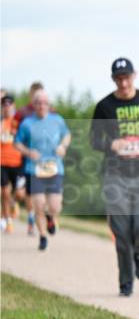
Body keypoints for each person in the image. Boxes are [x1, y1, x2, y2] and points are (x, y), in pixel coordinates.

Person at [89, 57, 139, 297]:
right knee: (121, 233)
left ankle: (137, 252)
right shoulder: (104, 106)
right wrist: (112, 144)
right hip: (116, 176)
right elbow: (94, 139)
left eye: (127, 77)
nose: (123, 83)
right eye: (118, 79)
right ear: (113, 79)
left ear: (134, 76)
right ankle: (126, 282)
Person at [14, 90, 71, 251]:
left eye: (45, 103)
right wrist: (27, 152)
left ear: (49, 105)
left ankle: (51, 217)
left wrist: (63, 146)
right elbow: (17, 143)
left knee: (55, 206)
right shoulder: (26, 123)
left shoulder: (57, 120)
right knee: (38, 204)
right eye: (38, 103)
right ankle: (43, 235)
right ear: (34, 104)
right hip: (34, 169)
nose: (42, 106)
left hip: (54, 168)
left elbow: (67, 135)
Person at [15, 82, 48, 235]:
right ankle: (30, 216)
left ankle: (45, 214)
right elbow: (13, 130)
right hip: (25, 158)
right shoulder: (22, 113)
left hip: (45, 158)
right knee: (26, 193)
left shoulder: (49, 110)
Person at [1, 93, 27, 233]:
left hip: (18, 163)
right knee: (5, 192)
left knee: (20, 194)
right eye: (4, 105)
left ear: (13, 106)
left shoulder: (19, 123)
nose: (7, 108)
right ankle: (8, 221)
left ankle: (13, 203)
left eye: (9, 105)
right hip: (2, 163)